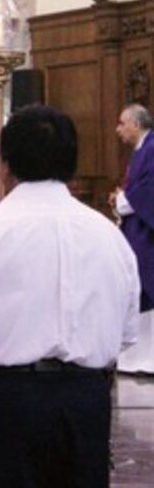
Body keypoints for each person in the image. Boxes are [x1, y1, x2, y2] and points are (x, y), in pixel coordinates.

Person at [0, 105, 139, 487]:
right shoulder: (109, 236)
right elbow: (126, 332)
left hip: (4, 400)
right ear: (71, 164)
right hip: (84, 402)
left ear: (4, 165)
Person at [111, 103, 154, 373]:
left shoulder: (152, 149)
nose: (118, 130)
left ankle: (146, 357)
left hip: (146, 233)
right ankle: (137, 356)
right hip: (136, 227)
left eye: (121, 123)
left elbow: (149, 190)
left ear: (136, 124)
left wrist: (123, 200)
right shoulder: (142, 149)